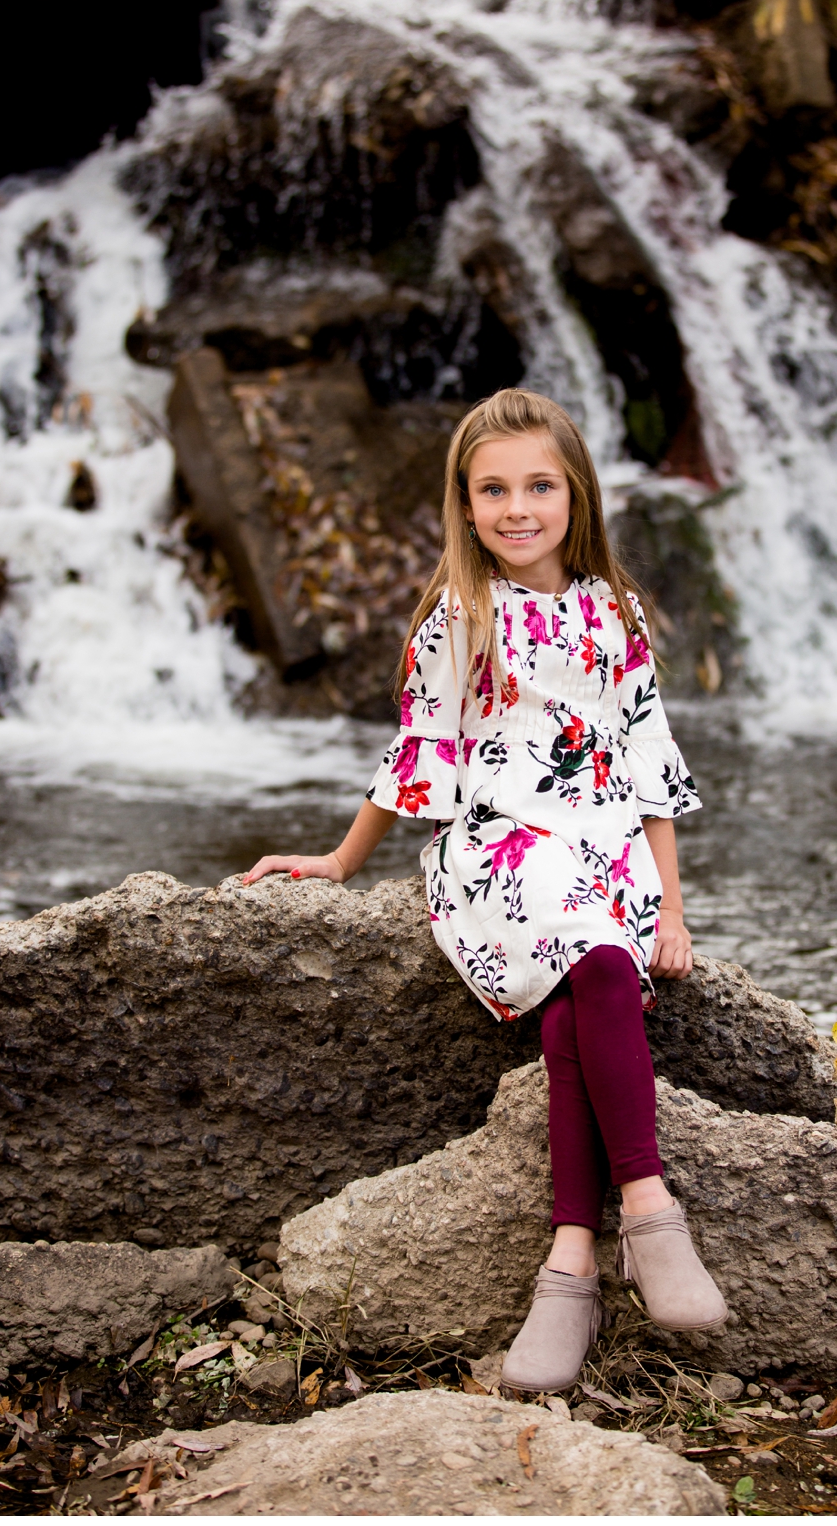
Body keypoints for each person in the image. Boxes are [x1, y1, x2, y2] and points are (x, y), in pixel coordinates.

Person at [241, 387, 719, 1393]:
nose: (517, 508)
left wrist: (672, 908)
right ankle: (646, 1206)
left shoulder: (616, 611)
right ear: (464, 505)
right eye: (493, 490)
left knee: (579, 997)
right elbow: (422, 752)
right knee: (585, 950)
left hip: (604, 852)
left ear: (575, 493)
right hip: (503, 853)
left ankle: (571, 1267)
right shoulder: (463, 616)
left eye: (538, 485)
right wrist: (338, 860)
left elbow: (646, 761)